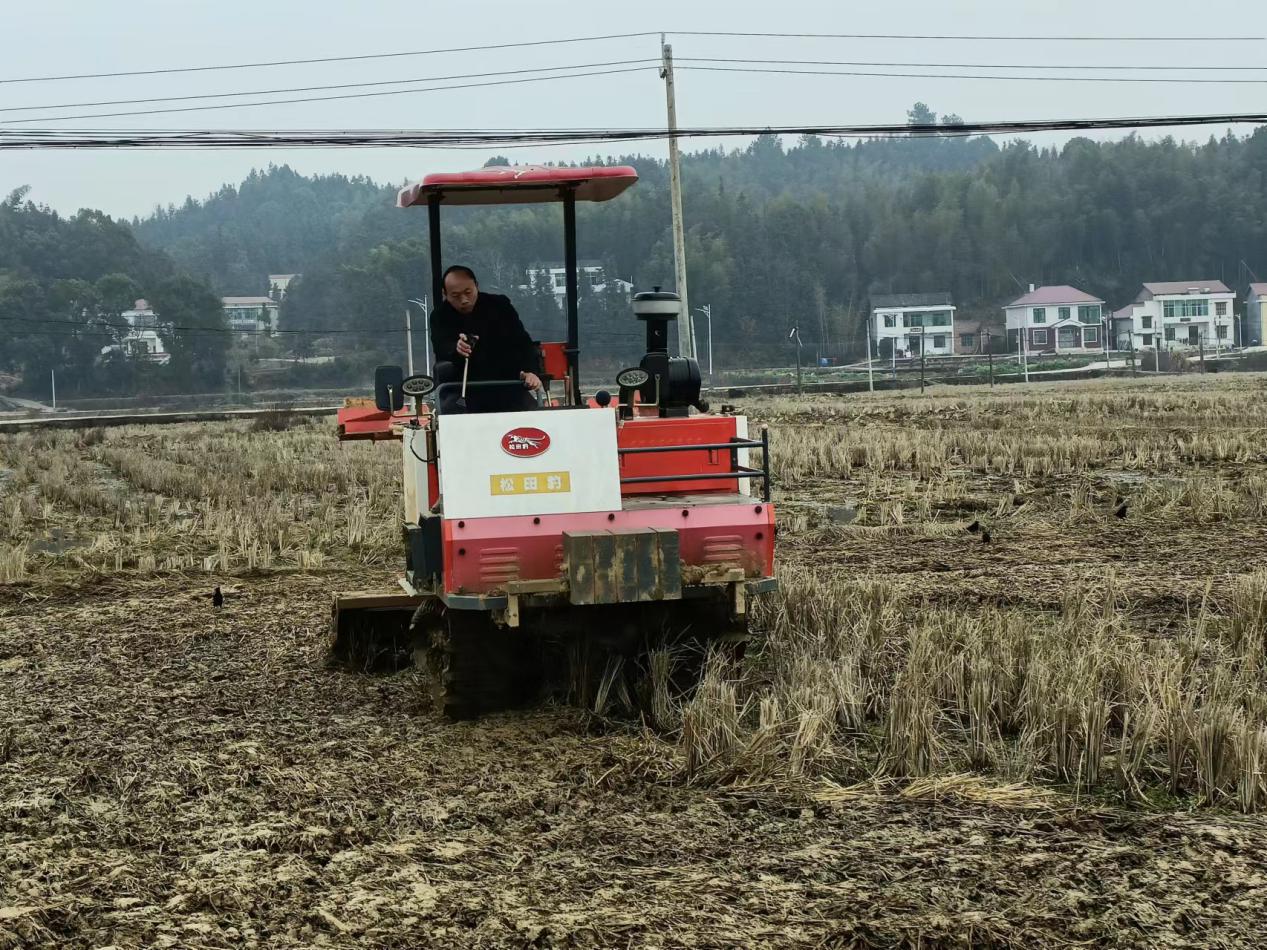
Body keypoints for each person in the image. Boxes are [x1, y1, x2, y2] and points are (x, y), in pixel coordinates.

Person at [430, 265, 543, 413]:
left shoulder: (500, 306)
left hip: (506, 384)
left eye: (468, 292)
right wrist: (456, 348)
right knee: (452, 417)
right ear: (445, 294)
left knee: (533, 416)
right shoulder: (440, 316)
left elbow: (522, 342)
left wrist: (530, 371)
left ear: (476, 286)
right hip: (463, 388)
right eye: (456, 296)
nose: (464, 300)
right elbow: (441, 347)